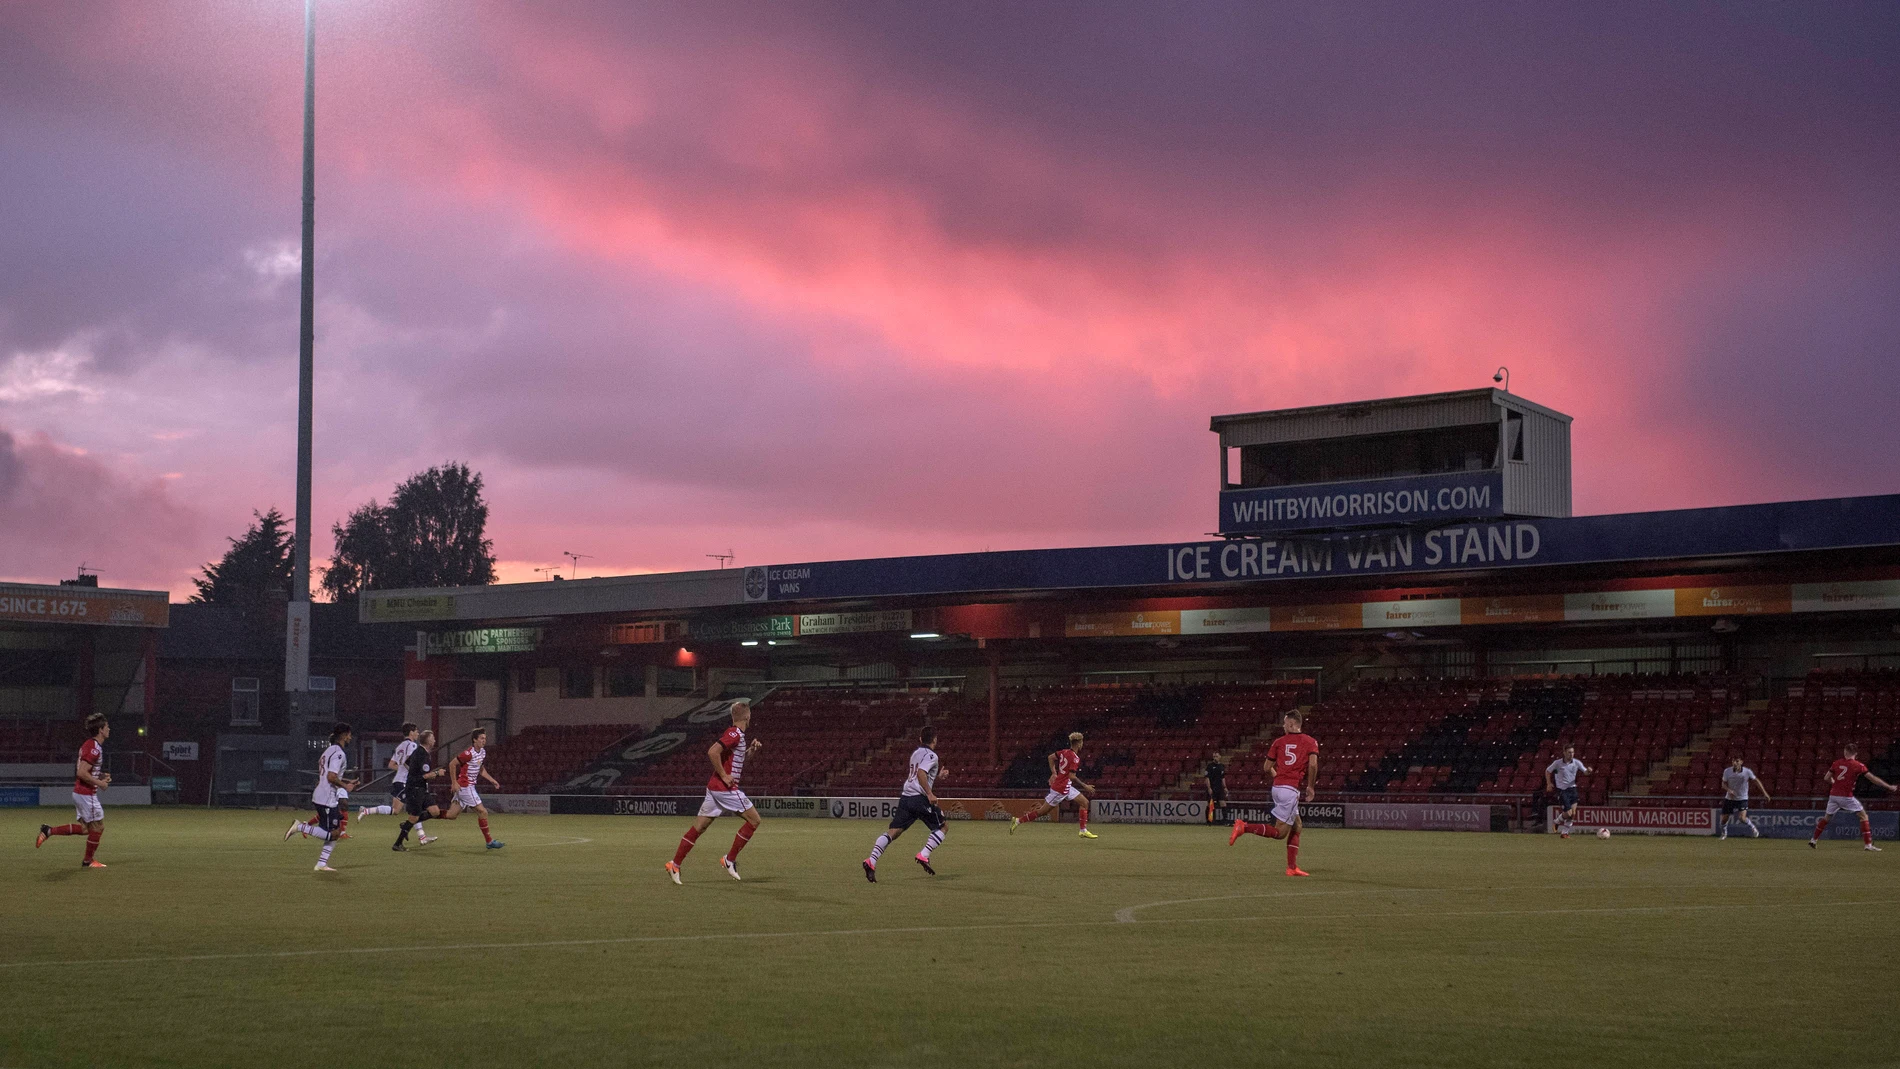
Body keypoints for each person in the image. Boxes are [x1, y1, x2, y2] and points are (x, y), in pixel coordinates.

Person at [667, 699, 765, 883]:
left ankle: (675, 864)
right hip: (724, 788)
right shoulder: (734, 733)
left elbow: (737, 762)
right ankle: (730, 859)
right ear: (747, 716)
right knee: (754, 820)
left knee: (700, 827)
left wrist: (752, 750)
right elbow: (713, 752)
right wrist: (724, 775)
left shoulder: (739, 736)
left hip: (715, 788)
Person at [1228, 710, 1318, 877]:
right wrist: (1311, 787)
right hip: (1290, 790)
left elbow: (1266, 768)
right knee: (1280, 833)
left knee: (1297, 826)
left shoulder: (1278, 742)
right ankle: (1244, 827)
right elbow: (1313, 765)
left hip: (1278, 788)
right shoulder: (1310, 742)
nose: (1283, 726)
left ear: (1292, 724)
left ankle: (1292, 867)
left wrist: (1280, 779)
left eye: (1285, 723)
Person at [863, 726, 947, 881]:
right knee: (942, 827)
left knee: (894, 832)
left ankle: (871, 861)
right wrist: (929, 793)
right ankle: (924, 855)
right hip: (919, 798)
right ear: (935, 739)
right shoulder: (932, 755)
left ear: (921, 739)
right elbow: (921, 773)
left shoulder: (916, 753)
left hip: (906, 797)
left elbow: (919, 774)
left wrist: (937, 776)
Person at [36, 713, 112, 868]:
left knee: (86, 829)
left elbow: (85, 769)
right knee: (98, 827)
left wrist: (101, 775)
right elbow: (81, 772)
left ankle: (49, 831)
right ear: (100, 730)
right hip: (86, 794)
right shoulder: (94, 748)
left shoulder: (90, 745)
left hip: (81, 793)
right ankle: (88, 861)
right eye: (107, 727)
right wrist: (100, 783)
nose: (109, 729)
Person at [284, 722, 361, 872]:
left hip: (323, 795)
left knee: (336, 832)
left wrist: (345, 781)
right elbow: (331, 777)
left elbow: (327, 777)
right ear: (344, 735)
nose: (351, 737)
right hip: (326, 798)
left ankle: (321, 864)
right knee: (332, 834)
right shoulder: (339, 753)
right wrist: (346, 786)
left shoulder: (328, 751)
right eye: (349, 734)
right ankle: (300, 827)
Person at [1809, 742, 1897, 851]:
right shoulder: (1858, 765)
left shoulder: (1836, 763)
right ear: (1855, 753)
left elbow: (1826, 778)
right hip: (1846, 797)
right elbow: (1873, 778)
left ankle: (1813, 839)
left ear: (1845, 752)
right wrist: (1889, 786)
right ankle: (1868, 845)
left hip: (1833, 796)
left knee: (1826, 818)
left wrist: (1835, 783)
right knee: (1863, 816)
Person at [1010, 731, 1097, 838]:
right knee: (1042, 812)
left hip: (1066, 785)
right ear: (1079, 743)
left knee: (1084, 802)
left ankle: (1083, 830)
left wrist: (1054, 772)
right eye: (1082, 742)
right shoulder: (1075, 758)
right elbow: (1071, 776)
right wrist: (1085, 786)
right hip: (1060, 789)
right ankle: (1018, 821)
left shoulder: (1064, 752)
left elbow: (1050, 757)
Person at [439, 728, 505, 849]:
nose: (484, 741)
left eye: (485, 738)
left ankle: (427, 814)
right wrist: (454, 782)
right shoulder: (468, 754)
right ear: (474, 740)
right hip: (465, 787)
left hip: (466, 788)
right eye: (481, 738)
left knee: (451, 815)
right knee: (483, 812)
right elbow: (452, 764)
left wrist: (492, 780)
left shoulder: (482, 752)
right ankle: (489, 842)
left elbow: (481, 769)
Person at [392, 730, 449, 851]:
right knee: (414, 817)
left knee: (435, 811)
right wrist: (438, 773)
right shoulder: (422, 754)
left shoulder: (418, 752)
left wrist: (413, 771)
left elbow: (407, 763)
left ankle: (407, 825)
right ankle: (397, 844)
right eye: (432, 738)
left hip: (421, 788)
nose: (434, 740)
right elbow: (425, 776)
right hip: (415, 789)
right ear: (428, 741)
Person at [355, 723, 421, 821]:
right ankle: (421, 835)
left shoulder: (400, 746)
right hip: (404, 781)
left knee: (396, 810)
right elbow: (409, 762)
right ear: (411, 732)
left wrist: (402, 769)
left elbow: (391, 765)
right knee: (415, 807)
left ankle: (366, 811)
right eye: (416, 731)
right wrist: (414, 771)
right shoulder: (412, 745)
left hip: (398, 780)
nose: (418, 734)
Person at [1544, 744, 1592, 839]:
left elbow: (1585, 772)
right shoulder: (1557, 763)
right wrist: (1549, 783)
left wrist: (1589, 771)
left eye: (1572, 752)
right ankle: (1557, 821)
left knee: (1573, 813)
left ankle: (1564, 833)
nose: (1571, 754)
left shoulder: (1576, 762)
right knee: (1568, 813)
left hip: (1573, 789)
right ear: (1564, 753)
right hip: (1562, 790)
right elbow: (1548, 771)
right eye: (1569, 752)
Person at [1718, 755, 1768, 840]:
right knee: (1724, 819)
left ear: (1741, 762)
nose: (1735, 763)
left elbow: (1756, 781)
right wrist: (1728, 790)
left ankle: (1753, 828)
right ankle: (1724, 834)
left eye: (1737, 761)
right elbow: (1723, 784)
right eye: (1733, 761)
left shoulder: (1747, 772)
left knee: (1742, 818)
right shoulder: (1727, 771)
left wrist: (1765, 793)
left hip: (1742, 798)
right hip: (1730, 798)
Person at [1203, 751, 1227, 825]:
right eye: (1214, 757)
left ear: (1220, 757)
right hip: (1212, 788)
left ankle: (1225, 821)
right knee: (1210, 804)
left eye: (1216, 756)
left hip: (1219, 788)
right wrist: (1209, 788)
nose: (1215, 758)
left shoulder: (1222, 766)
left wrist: (1225, 787)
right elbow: (1207, 778)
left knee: (1223, 803)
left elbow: (1223, 778)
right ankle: (1209, 821)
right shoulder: (1210, 766)